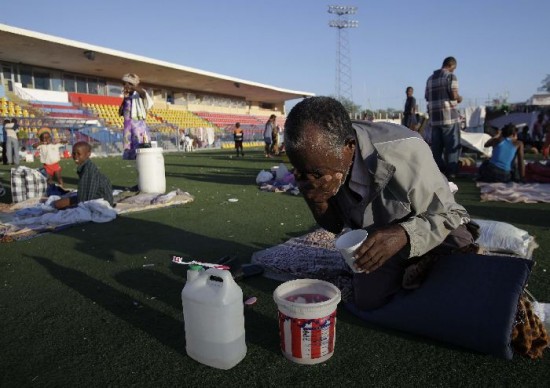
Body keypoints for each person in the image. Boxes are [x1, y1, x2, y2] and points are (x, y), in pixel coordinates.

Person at [284, 97, 475, 311]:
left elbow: (449, 212)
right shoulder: (319, 158)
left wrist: (403, 234)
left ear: (349, 147)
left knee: (462, 253)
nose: (313, 180)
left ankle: (426, 255)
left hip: (421, 218)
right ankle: (412, 263)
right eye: (302, 172)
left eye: (318, 174)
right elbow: (335, 225)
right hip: (378, 231)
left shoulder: (404, 149)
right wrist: (317, 199)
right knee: (369, 300)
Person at [425, 56, 463, 179]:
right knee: (452, 146)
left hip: (435, 119)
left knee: (437, 148)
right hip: (449, 117)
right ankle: (451, 172)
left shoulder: (430, 79)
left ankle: (438, 171)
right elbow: (454, 95)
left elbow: (426, 97)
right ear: (451, 65)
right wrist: (459, 98)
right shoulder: (450, 76)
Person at [53, 142, 113, 210]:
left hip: (100, 201)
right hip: (97, 198)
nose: (75, 156)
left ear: (88, 154)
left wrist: (71, 203)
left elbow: (88, 197)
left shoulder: (88, 170)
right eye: (74, 153)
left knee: (57, 204)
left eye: (79, 154)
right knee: (60, 202)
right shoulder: (86, 166)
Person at [119, 73, 153, 160]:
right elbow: (122, 108)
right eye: (124, 84)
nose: (126, 86)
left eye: (129, 83)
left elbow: (143, 94)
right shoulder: (127, 95)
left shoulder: (138, 93)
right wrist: (123, 102)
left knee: (138, 138)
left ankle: (140, 156)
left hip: (137, 122)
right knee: (128, 140)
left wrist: (132, 87)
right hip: (127, 123)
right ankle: (131, 155)